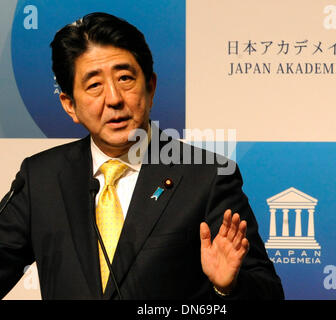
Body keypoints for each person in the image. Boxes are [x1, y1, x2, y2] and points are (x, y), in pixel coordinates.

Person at [0, 12, 284, 300]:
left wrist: (228, 287)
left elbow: (269, 293)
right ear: (69, 105)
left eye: (125, 78)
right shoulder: (41, 178)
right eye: (94, 85)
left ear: (150, 87)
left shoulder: (207, 176)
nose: (113, 99)